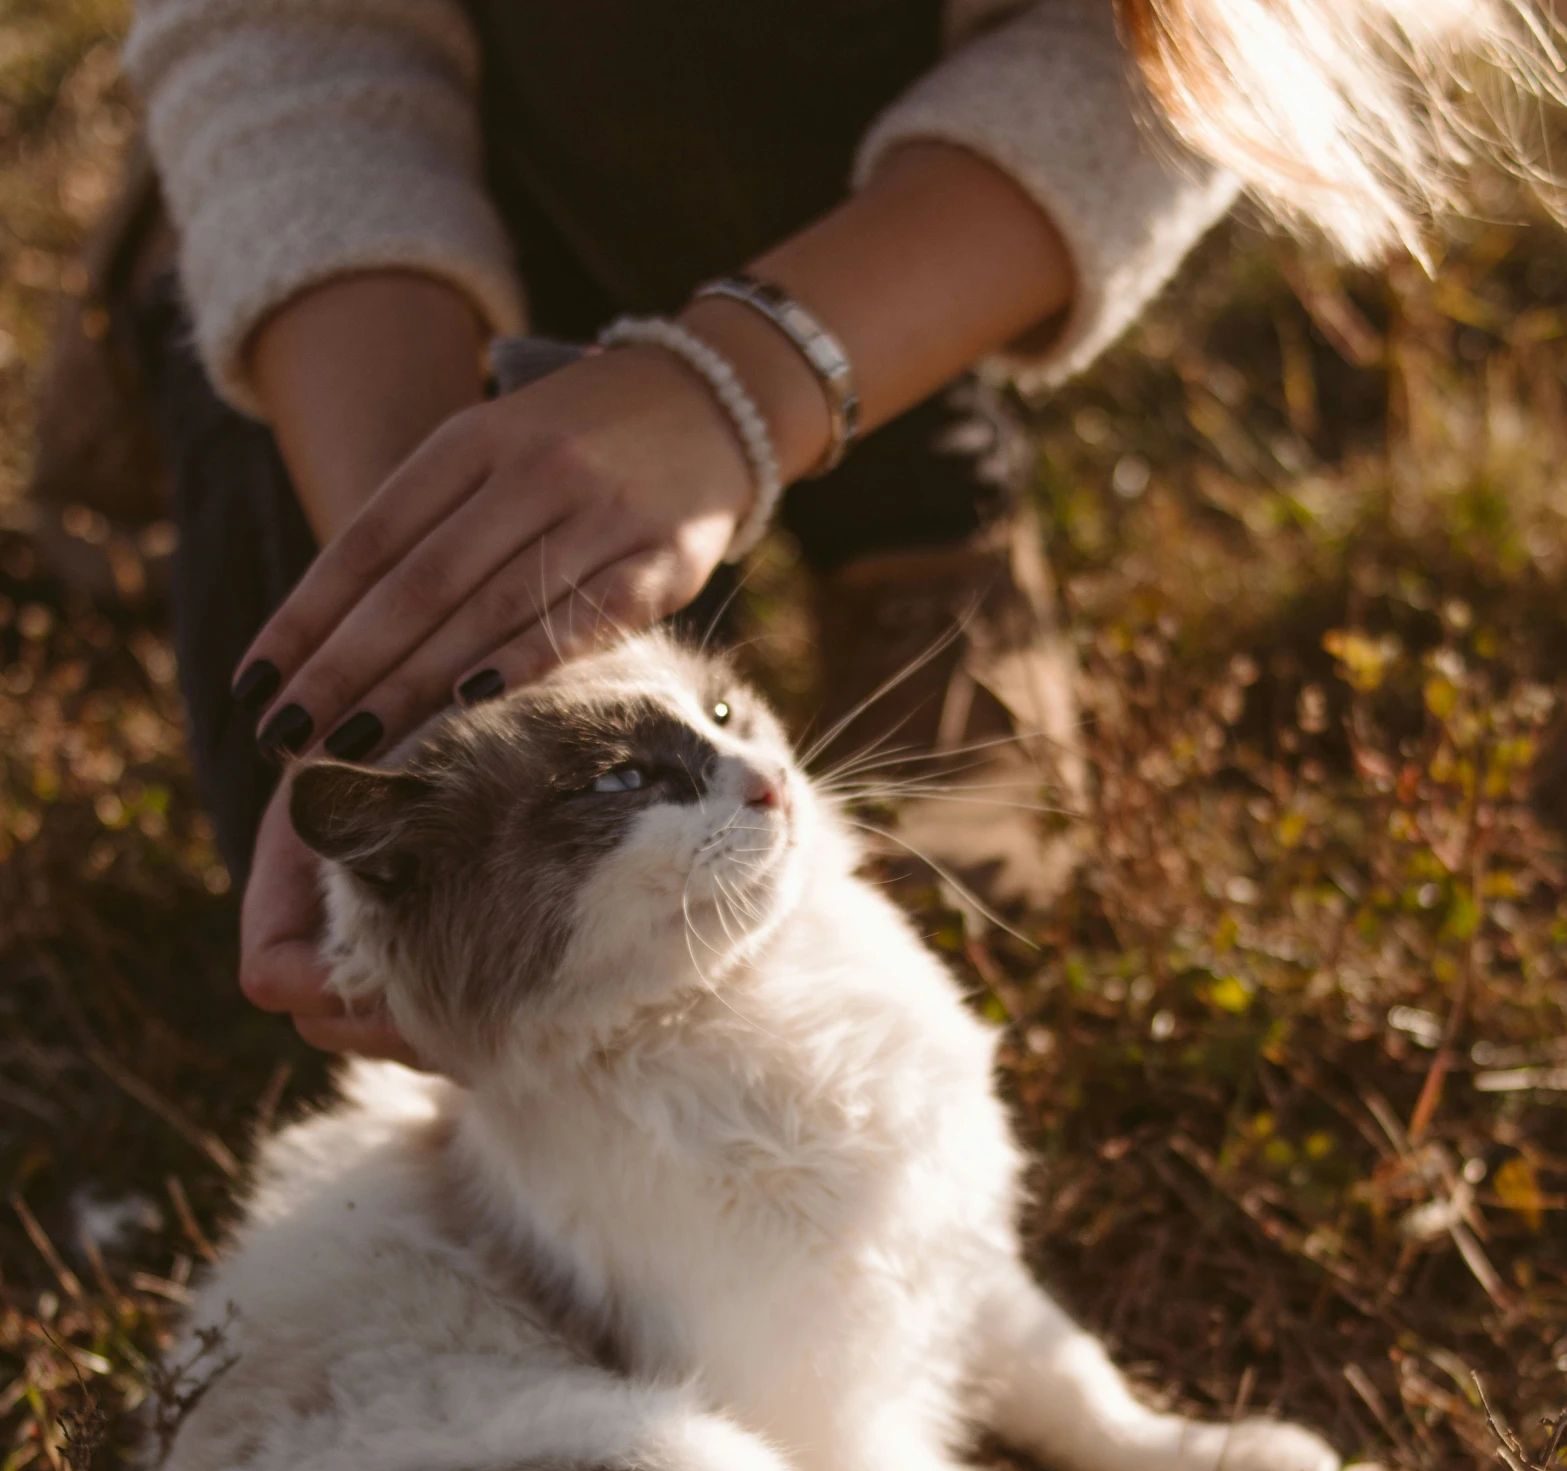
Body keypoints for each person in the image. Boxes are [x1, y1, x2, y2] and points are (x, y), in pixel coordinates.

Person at [122, 0, 1562, 1059]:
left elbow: (1175, 48)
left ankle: (909, 472)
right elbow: (282, 27)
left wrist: (735, 389)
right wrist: (420, 584)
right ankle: (193, 273)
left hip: (886, 144)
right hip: (446, 131)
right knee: (339, 980)